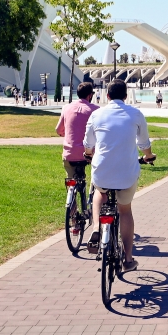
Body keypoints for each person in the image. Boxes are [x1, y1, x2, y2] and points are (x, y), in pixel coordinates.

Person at [83, 80, 155, 272]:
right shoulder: (136, 114)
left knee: (100, 192)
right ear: (126, 96)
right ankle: (128, 259)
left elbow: (88, 144)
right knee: (125, 210)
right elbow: (144, 143)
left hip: (102, 171)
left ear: (107, 96)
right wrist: (148, 156)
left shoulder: (96, 114)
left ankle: (97, 229)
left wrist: (89, 155)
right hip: (127, 173)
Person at [55, 82, 99, 237]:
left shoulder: (67, 108)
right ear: (90, 95)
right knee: (98, 180)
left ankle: (74, 221)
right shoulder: (95, 110)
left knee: (71, 181)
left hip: (69, 154)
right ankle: (93, 206)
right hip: (89, 155)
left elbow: (58, 130)